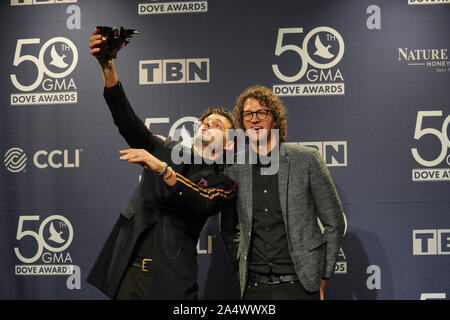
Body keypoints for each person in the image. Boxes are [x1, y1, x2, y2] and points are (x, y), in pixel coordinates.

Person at [86, 28, 237, 300]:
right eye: (205, 122)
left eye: (217, 125)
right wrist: (107, 66)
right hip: (128, 274)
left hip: (170, 282)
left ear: (228, 144)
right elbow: (127, 122)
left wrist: (163, 169)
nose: (207, 125)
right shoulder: (165, 148)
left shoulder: (223, 182)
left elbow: (201, 198)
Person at [221, 86, 346, 300]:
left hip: (301, 286)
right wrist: (241, 264)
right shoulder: (233, 167)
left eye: (262, 112)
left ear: (275, 120)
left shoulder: (306, 159)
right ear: (242, 122)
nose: (255, 119)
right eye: (248, 114)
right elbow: (228, 228)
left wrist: (323, 276)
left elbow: (334, 222)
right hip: (254, 288)